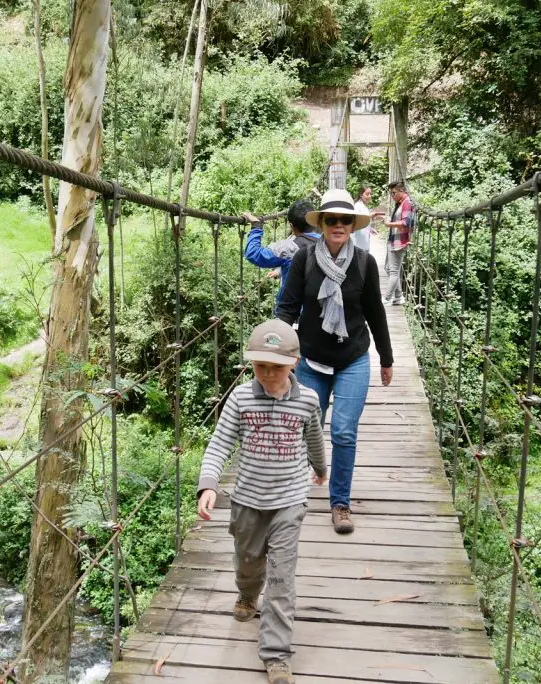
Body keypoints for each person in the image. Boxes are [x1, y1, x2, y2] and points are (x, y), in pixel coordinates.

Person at [196, 319, 327, 684]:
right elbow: (220, 444)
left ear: (295, 363)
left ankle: (277, 657)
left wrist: (320, 467)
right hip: (248, 501)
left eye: (277, 366)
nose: (268, 373)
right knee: (249, 563)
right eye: (260, 365)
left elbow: (314, 436)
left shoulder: (307, 400)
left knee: (282, 579)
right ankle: (247, 593)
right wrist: (208, 484)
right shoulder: (239, 398)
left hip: (290, 499)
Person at [277, 188, 394, 534]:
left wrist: (386, 358)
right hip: (310, 359)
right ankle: (293, 497)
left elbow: (375, 312)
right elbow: (288, 305)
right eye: (332, 220)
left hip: (352, 358)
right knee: (301, 431)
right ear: (323, 224)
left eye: (345, 220)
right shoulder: (305, 259)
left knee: (343, 432)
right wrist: (275, 345)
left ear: (351, 224)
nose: (339, 225)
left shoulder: (364, 262)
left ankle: (339, 504)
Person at [241, 200, 320, 310]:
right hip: (323, 315)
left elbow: (253, 253)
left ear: (292, 226)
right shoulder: (331, 243)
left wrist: (256, 225)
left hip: (291, 314)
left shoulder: (288, 248)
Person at [382, 180, 415, 305]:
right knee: (389, 268)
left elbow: (406, 222)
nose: (392, 196)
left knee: (393, 271)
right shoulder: (401, 203)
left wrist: (389, 224)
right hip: (394, 240)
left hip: (400, 241)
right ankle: (398, 296)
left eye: (393, 193)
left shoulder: (407, 203)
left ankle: (387, 298)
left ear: (401, 191)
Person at [350, 186, 374, 252]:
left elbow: (364, 223)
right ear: (361, 195)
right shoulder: (357, 206)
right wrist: (370, 216)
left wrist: (370, 229)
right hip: (358, 242)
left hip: (363, 241)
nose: (369, 196)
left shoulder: (364, 206)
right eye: (367, 194)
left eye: (370, 194)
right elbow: (356, 219)